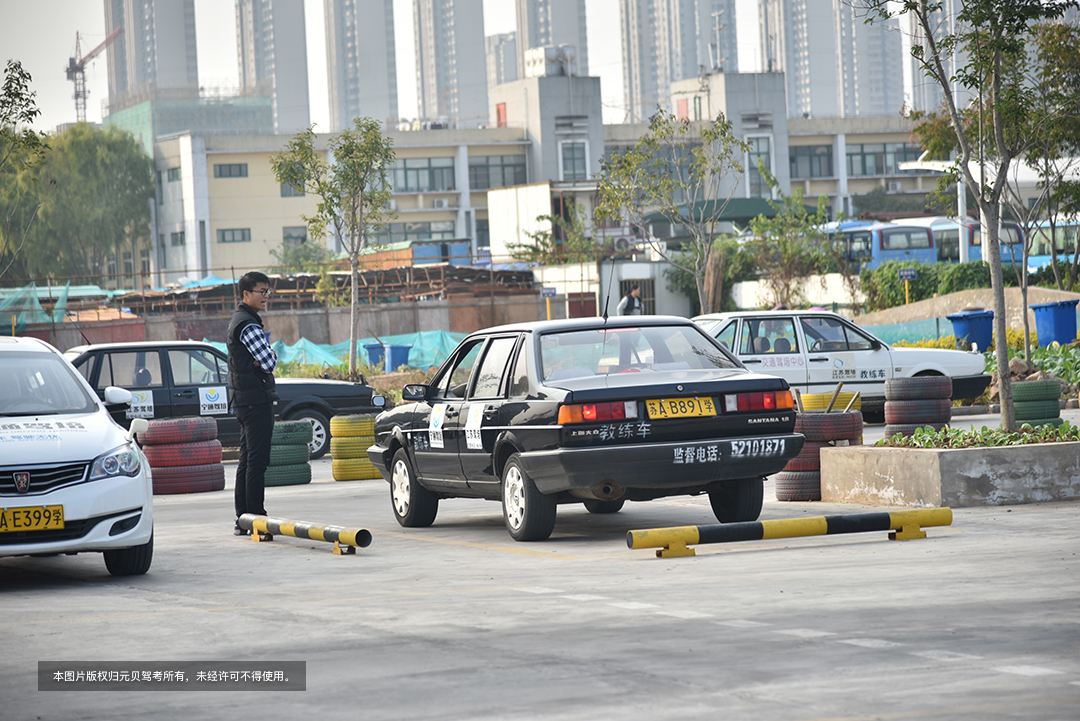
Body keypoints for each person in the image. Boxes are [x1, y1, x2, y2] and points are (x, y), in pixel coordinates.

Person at [227, 271, 279, 536]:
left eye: (267, 291)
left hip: (243, 399)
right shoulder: (249, 325)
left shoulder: (240, 320)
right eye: (261, 291)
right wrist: (268, 357)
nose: (265, 296)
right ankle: (256, 516)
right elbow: (269, 362)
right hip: (255, 401)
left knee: (246, 460)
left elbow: (263, 361)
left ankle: (242, 519)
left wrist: (264, 359)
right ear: (246, 294)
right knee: (256, 462)